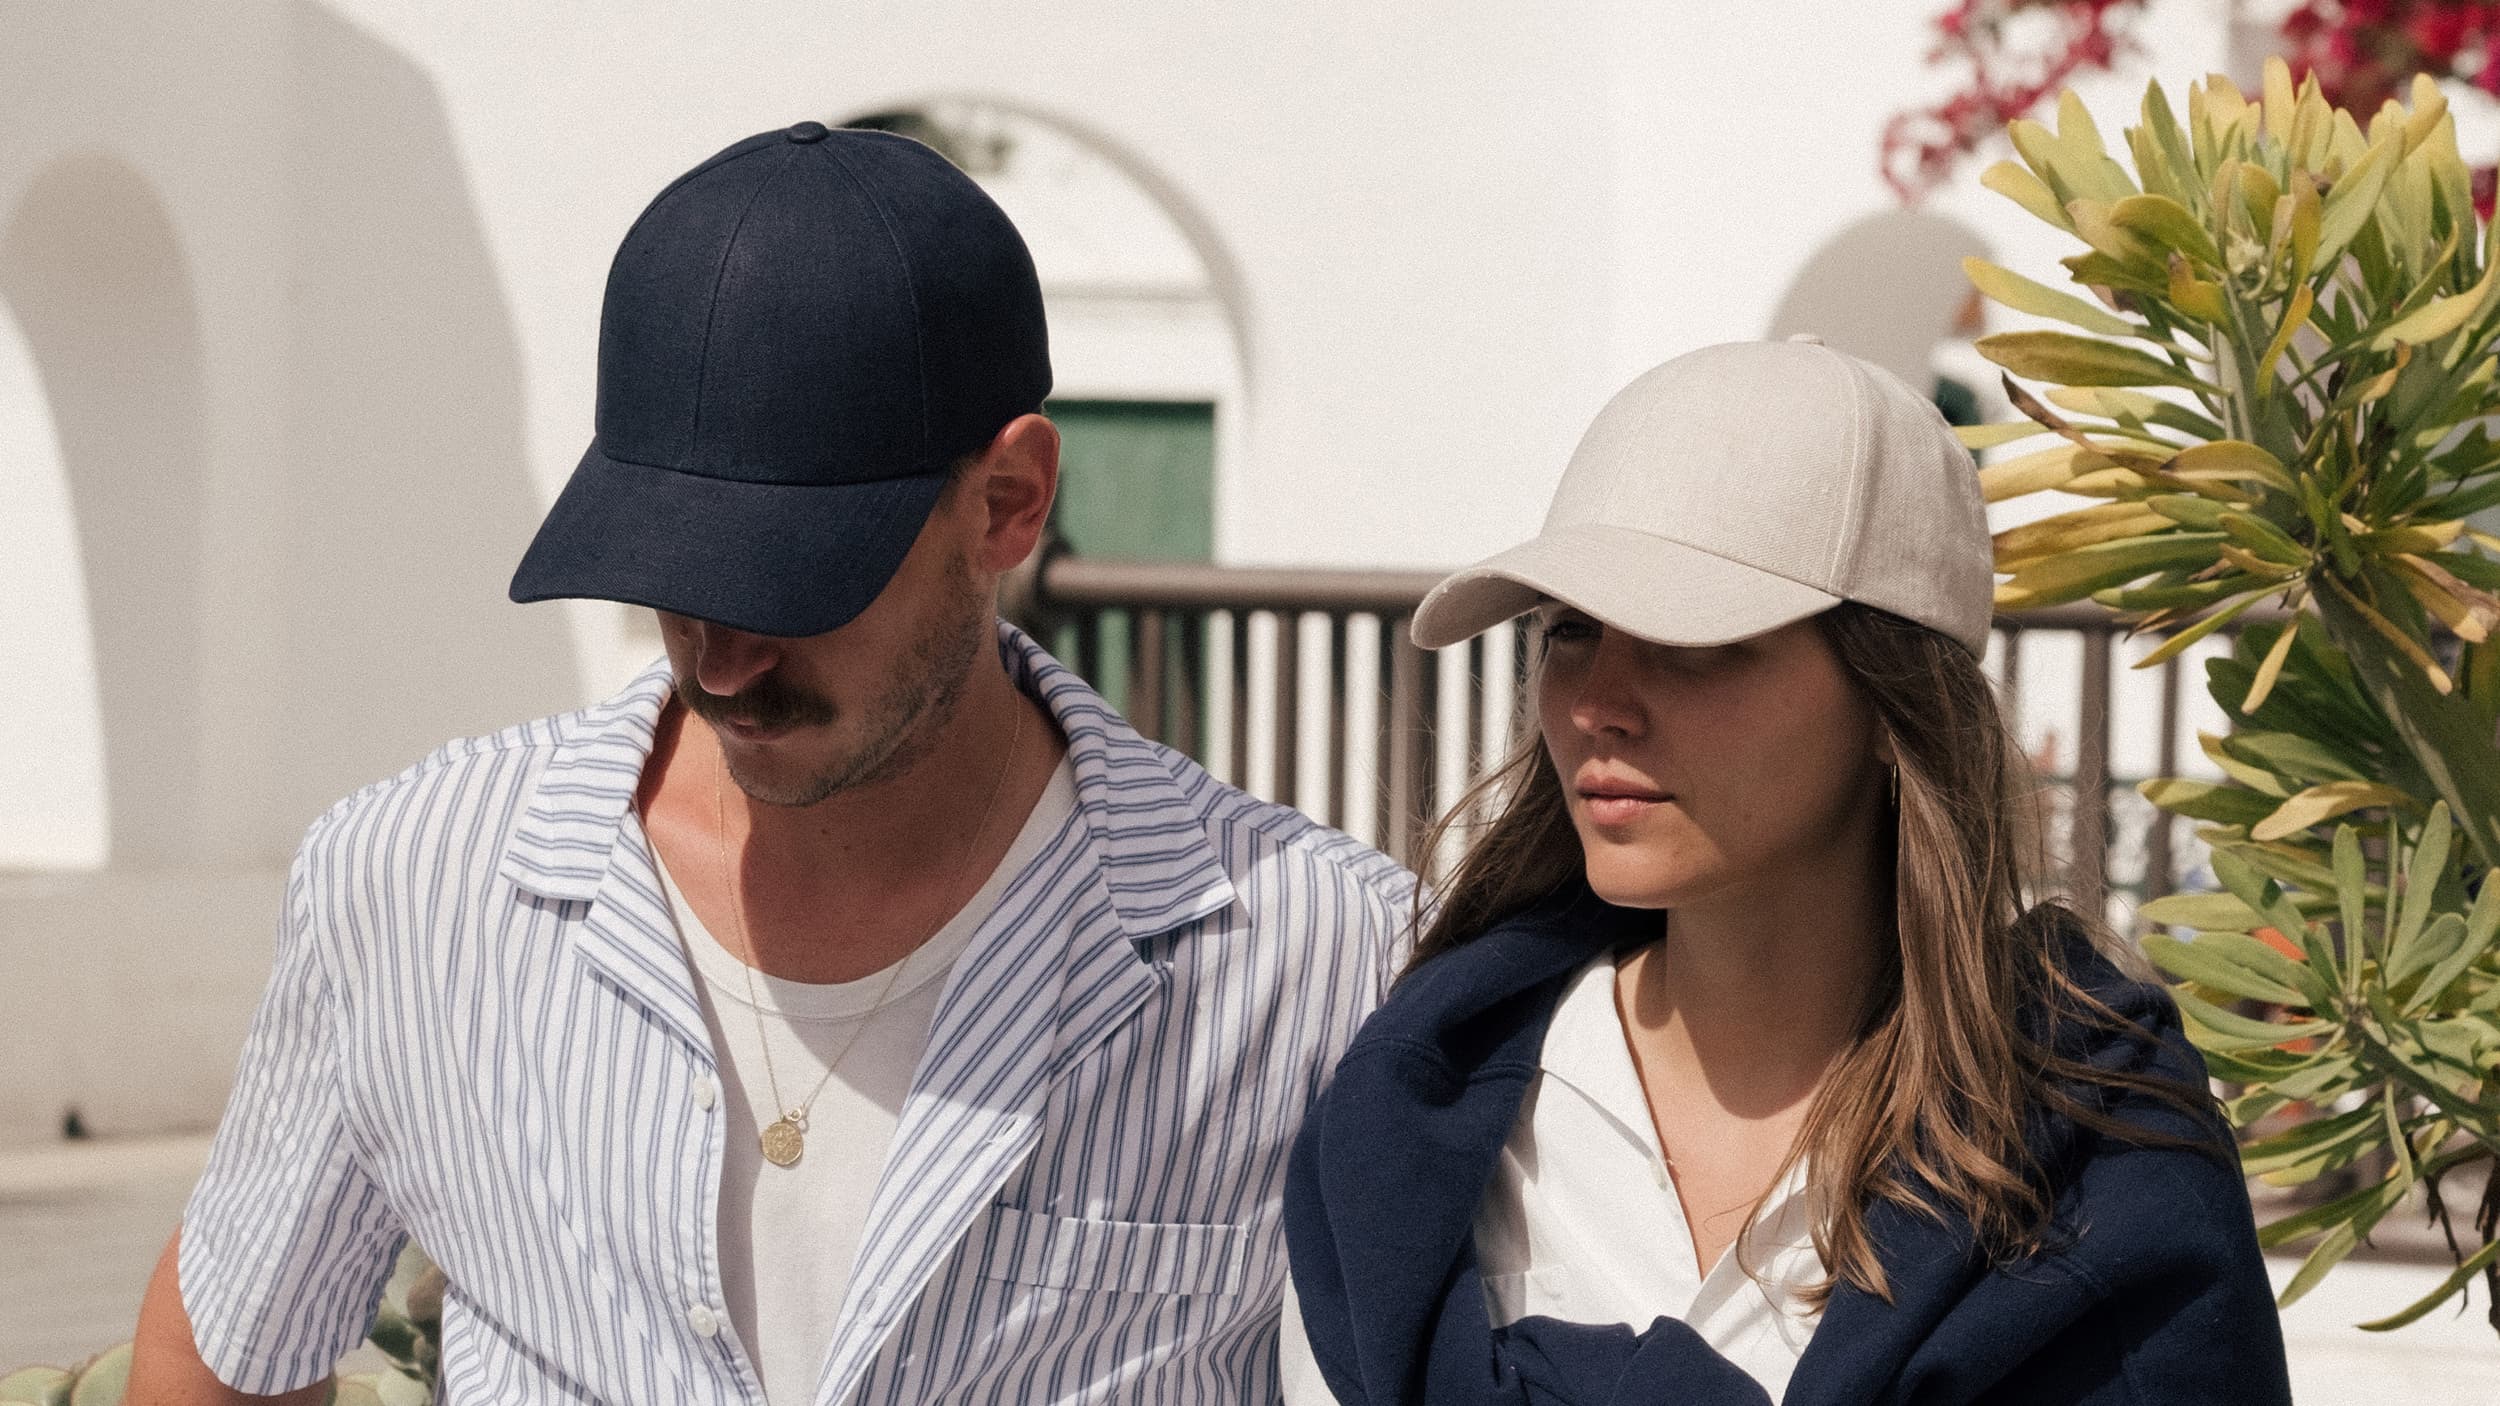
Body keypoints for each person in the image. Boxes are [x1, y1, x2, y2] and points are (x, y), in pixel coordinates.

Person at [125, 121, 1412, 1406]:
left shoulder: (1318, 958)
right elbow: (231, 1344)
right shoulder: (412, 882)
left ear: (1009, 499)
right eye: (671, 577)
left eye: (795, 579)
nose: (724, 663)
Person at [1279, 339, 2292, 1405]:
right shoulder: (1413, 1122)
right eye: (1569, 631)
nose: (1596, 703)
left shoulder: (2098, 1152)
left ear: (1889, 699)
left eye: (1691, 638)